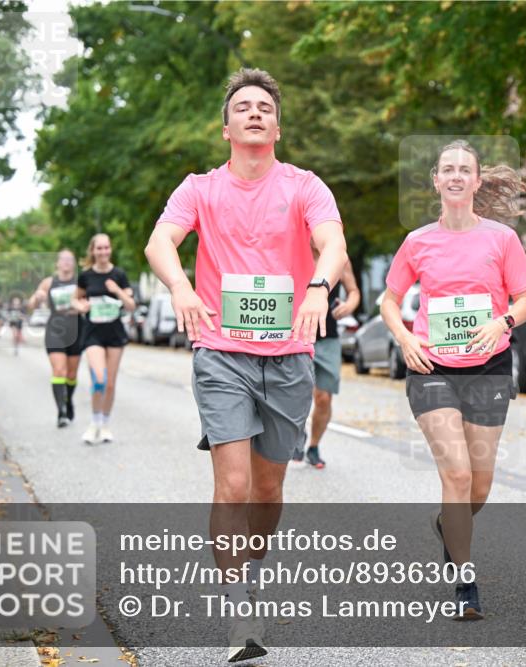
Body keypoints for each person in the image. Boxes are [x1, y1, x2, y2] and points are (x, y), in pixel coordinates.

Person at [145, 67, 346, 662]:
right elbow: (160, 242)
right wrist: (181, 289)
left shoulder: (306, 185)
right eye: (243, 107)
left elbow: (332, 241)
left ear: (277, 125)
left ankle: (251, 565)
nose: (254, 112)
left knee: (268, 488)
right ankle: (239, 607)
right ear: (226, 126)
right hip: (222, 352)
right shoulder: (200, 188)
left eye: (264, 106)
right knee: (232, 483)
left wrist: (316, 287)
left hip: (288, 355)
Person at [382, 139, 526, 620]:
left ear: (476, 180)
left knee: (480, 486)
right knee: (458, 474)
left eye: (463, 169)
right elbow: (389, 300)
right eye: (446, 169)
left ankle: (449, 527)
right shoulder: (418, 241)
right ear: (435, 180)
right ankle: (465, 583)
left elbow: (525, 300)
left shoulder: (501, 240)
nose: (454, 176)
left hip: (489, 367)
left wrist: (502, 322)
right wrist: (406, 339)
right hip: (432, 369)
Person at [294, 257, 360, 468]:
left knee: (323, 398)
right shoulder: (295, 249)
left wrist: (350, 304)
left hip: (328, 338)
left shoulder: (339, 258)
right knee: (295, 393)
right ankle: (296, 436)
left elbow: (354, 292)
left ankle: (313, 447)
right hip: (297, 334)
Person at [73, 234, 135, 444]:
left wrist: (116, 290)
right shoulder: (86, 276)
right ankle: (94, 423)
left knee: (110, 384)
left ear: (110, 249)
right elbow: (76, 299)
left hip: (115, 333)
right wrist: (81, 306)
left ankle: (105, 424)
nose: (103, 252)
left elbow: (130, 305)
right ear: (93, 251)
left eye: (106, 248)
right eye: (99, 248)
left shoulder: (119, 274)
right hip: (93, 333)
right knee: (99, 379)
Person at [30, 249, 84, 427]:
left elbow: (88, 303)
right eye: (64, 259)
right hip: (55, 330)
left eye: (71, 259)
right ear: (57, 263)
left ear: (74, 263)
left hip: (76, 329)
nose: (67, 262)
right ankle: (61, 411)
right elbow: (31, 304)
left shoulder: (80, 282)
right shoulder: (48, 282)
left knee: (71, 374)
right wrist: (37, 298)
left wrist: (82, 306)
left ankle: (68, 401)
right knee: (59, 370)